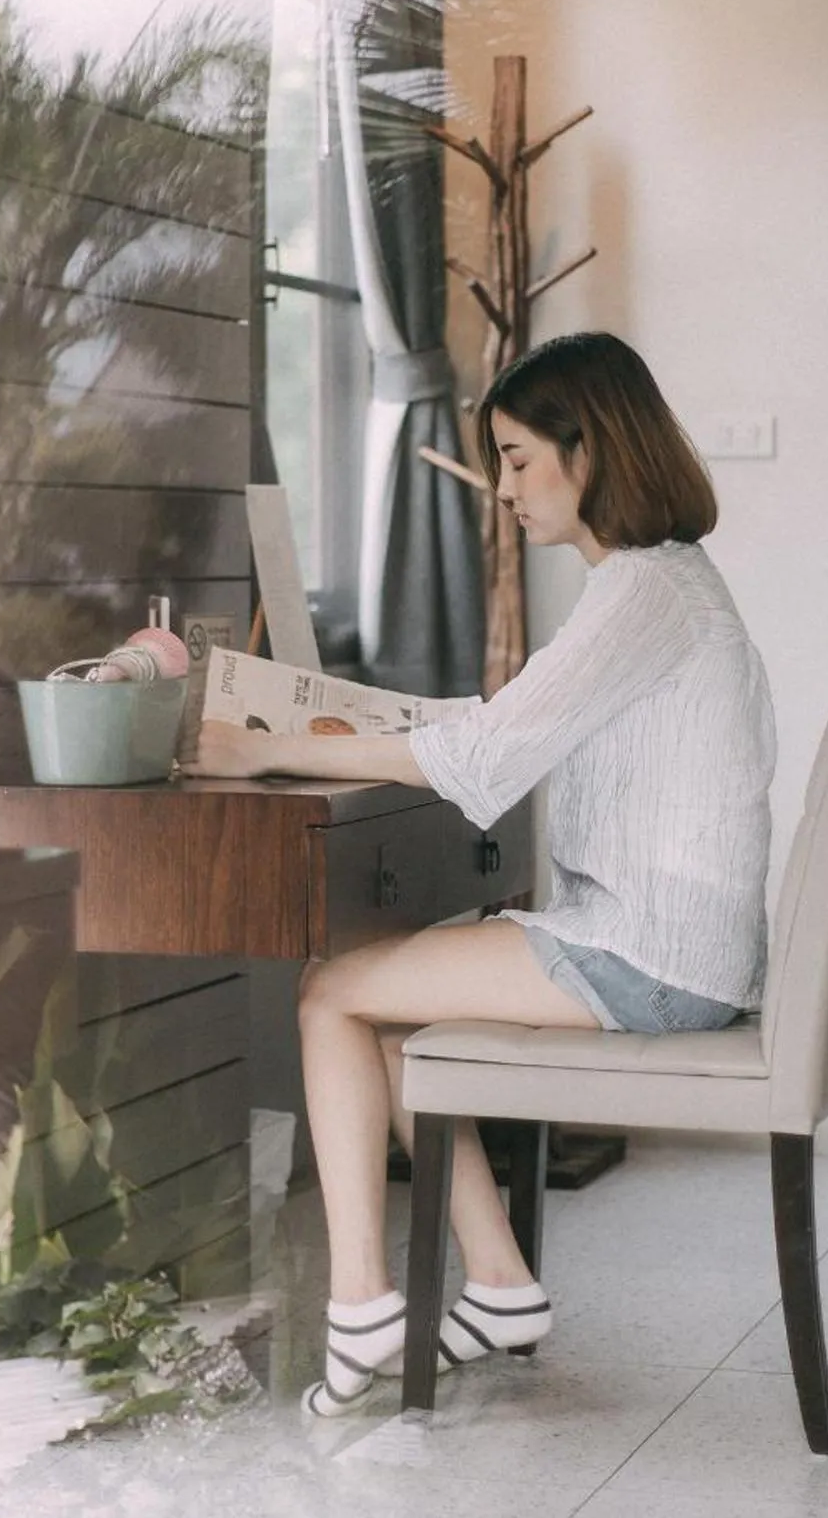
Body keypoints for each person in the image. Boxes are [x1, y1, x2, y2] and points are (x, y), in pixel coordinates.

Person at [186, 331, 776, 1416]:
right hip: (671, 943)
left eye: (514, 458)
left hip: (651, 958)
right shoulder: (663, 584)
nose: (503, 487)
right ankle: (497, 1282)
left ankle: (361, 1302)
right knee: (388, 988)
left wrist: (271, 746)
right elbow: (504, 724)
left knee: (328, 987)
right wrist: (358, 721)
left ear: (585, 451)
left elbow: (486, 755)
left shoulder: (640, 592)